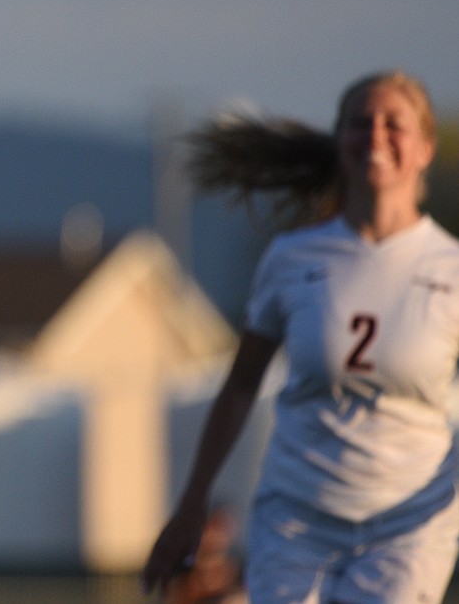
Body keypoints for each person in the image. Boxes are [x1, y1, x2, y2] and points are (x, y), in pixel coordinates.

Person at [142, 71, 459, 603]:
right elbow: (240, 386)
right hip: (297, 519)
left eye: (393, 124)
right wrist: (192, 502)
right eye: (361, 124)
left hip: (408, 525)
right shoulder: (293, 258)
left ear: (425, 148)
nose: (376, 136)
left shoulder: (450, 267)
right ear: (339, 143)